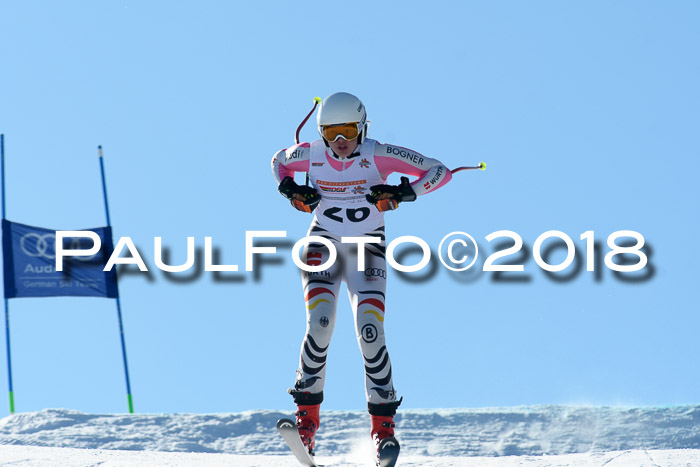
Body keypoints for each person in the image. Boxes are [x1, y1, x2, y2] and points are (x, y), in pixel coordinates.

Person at [271, 92, 452, 461]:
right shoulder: (312, 153)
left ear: (363, 127)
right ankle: (305, 426)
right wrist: (290, 188)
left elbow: (439, 170)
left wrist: (404, 192)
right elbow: (278, 161)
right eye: (332, 133)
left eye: (349, 131)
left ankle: (383, 432)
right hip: (323, 242)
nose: (341, 142)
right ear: (321, 133)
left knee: (370, 330)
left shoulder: (377, 153)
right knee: (320, 323)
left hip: (368, 248)